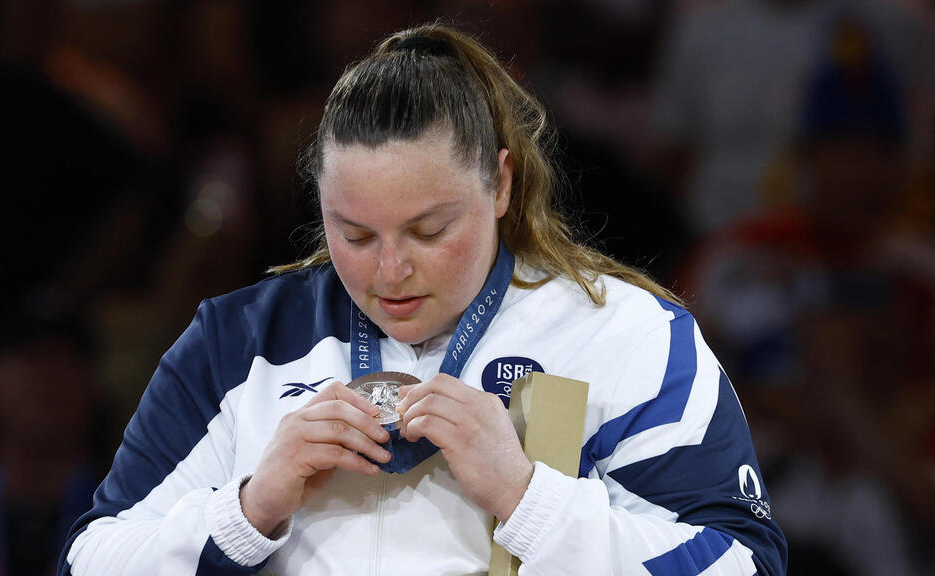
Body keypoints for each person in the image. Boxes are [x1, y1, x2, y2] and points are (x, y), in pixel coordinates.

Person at [59, 24, 786, 575]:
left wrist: (530, 499)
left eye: (428, 229)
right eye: (355, 233)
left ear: (500, 185)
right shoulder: (240, 341)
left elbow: (743, 565)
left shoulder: (623, 334)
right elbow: (90, 560)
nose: (391, 269)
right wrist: (250, 507)